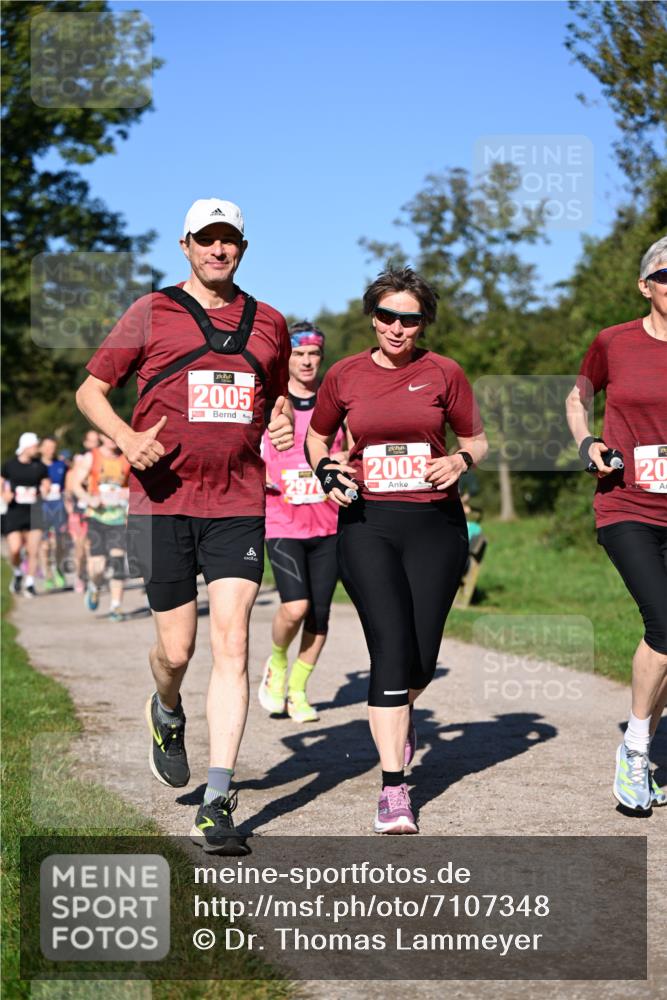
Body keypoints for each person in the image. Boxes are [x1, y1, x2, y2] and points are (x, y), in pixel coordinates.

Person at [76, 197, 293, 853]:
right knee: (176, 652)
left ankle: (216, 799)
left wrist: (282, 420)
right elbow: (90, 391)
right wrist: (124, 437)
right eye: (206, 239)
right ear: (186, 245)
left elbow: (274, 396)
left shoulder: (269, 322)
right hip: (161, 501)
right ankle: (166, 708)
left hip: (236, 503)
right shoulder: (150, 311)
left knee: (233, 644)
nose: (217, 249)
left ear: (242, 249)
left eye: (228, 240)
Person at [306, 267, 488, 834]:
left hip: (436, 525)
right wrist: (325, 468)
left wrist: (460, 460)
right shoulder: (345, 375)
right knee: (389, 647)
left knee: (420, 661)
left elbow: (477, 439)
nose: (396, 327)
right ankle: (393, 789)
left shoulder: (444, 373)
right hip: (368, 523)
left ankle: (400, 711)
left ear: (423, 323)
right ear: (373, 317)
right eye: (387, 315)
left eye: (409, 319)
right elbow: (316, 436)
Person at [566, 235, 667, 812]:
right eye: (665, 275)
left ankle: (641, 746)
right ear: (645, 286)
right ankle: (635, 748)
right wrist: (588, 443)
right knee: (664, 623)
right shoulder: (614, 342)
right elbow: (577, 400)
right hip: (627, 505)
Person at [260, 321, 347, 722]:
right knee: (295, 607)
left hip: (329, 523)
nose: (307, 361)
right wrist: (258, 470)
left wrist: (345, 460)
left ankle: (297, 689)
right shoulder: (270, 402)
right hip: (282, 521)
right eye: (299, 354)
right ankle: (277, 663)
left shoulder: (336, 403)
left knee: (319, 615)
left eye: (314, 354)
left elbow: (355, 449)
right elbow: (245, 448)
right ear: (287, 358)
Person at [69, 433, 131, 621]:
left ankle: (116, 606)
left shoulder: (127, 456)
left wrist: (127, 493)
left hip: (119, 517)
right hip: (96, 516)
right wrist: (89, 499)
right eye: (107, 434)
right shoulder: (91, 457)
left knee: (118, 560)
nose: (112, 438)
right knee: (98, 567)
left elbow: (138, 486)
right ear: (102, 436)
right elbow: (75, 485)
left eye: (115, 434)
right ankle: (94, 586)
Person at [1, 433, 51, 598]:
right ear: (26, 446)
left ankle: (30, 583)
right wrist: (3, 494)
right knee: (15, 549)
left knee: (33, 550)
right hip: (15, 510)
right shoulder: (10, 465)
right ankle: (17, 573)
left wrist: (45, 489)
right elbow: (1, 481)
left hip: (34, 510)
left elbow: (46, 482)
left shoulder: (39, 466)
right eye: (35, 446)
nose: (37, 449)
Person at [64, 429, 101, 593]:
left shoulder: (104, 461)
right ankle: (79, 575)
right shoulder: (81, 460)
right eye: (91, 441)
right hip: (79, 510)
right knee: (80, 547)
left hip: (97, 509)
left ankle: (93, 577)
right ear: (85, 443)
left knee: (92, 545)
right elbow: (70, 488)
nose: (94, 444)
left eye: (97, 440)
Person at [39, 435, 69, 590]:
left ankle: (58, 568)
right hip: (40, 508)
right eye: (47, 447)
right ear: (40, 448)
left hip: (58, 507)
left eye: (53, 447)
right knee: (44, 545)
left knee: (59, 543)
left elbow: (68, 486)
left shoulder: (61, 465)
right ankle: (48, 575)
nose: (50, 450)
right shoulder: (35, 466)